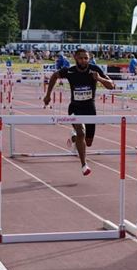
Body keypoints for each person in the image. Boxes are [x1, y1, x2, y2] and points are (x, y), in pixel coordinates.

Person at [43, 48, 115, 176]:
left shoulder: (95, 70)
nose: (84, 60)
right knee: (81, 132)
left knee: (88, 142)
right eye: (81, 58)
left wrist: (100, 79)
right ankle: (84, 164)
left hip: (90, 108)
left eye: (86, 58)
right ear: (75, 58)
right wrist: (48, 95)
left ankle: (74, 137)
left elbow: (112, 85)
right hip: (75, 107)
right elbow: (54, 76)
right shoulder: (70, 71)